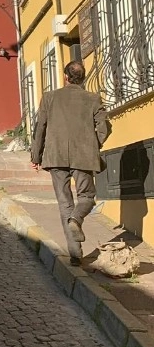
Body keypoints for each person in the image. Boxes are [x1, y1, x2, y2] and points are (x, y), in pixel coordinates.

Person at [30, 61, 111, 265]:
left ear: (65, 76)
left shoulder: (49, 97)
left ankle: (75, 255)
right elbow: (104, 127)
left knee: (65, 203)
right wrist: (95, 144)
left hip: (55, 155)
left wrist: (35, 156)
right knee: (87, 196)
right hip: (83, 155)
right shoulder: (93, 99)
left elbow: (40, 128)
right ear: (82, 78)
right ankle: (77, 219)